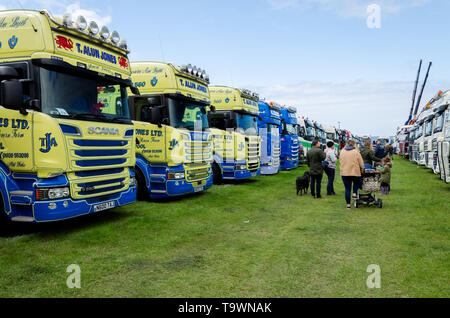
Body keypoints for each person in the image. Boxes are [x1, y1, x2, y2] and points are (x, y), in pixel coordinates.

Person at [339, 140, 364, 210]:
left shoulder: (342, 151)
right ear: (354, 145)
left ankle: (348, 205)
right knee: (356, 183)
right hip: (355, 171)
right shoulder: (356, 152)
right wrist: (363, 168)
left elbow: (340, 160)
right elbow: (361, 162)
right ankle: (354, 193)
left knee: (347, 189)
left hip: (344, 172)